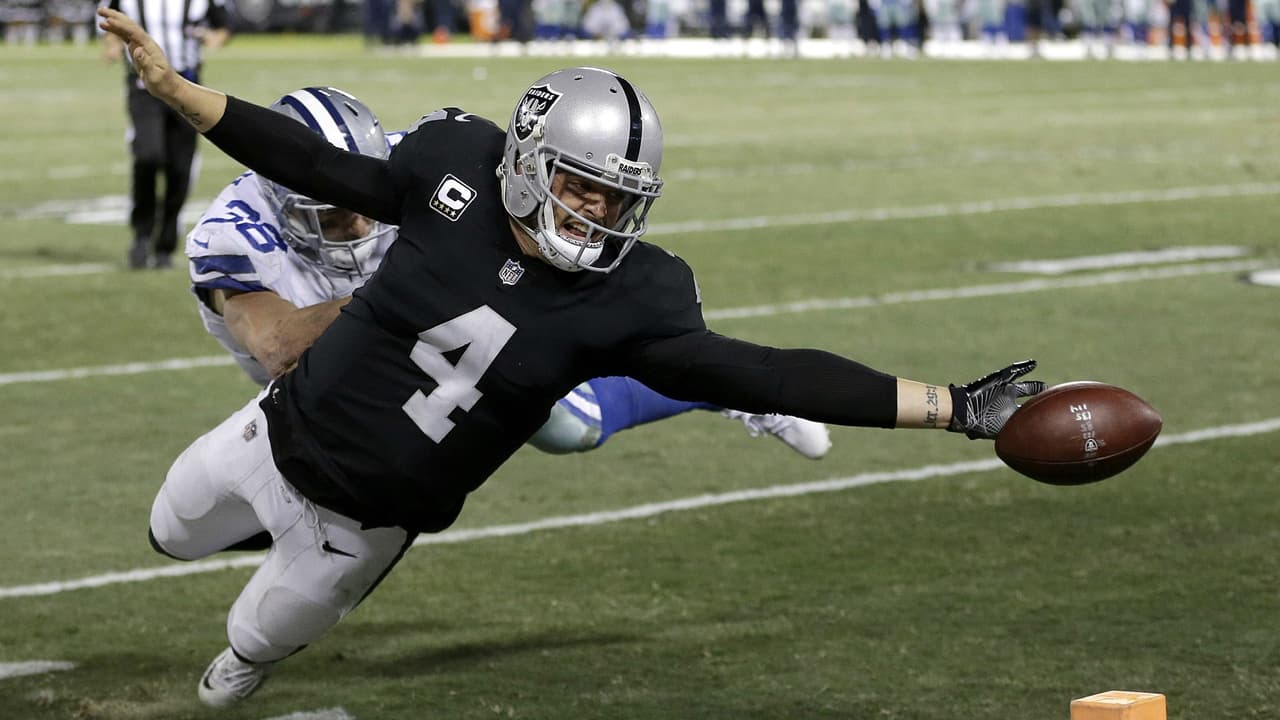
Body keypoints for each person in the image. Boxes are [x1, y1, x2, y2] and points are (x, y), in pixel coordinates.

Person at [101, 7, 1045, 707]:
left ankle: (251, 661)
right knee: (168, 532)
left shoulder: (630, 296)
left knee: (239, 658)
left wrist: (955, 405)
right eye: (582, 186)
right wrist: (183, 95)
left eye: (616, 197)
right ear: (524, 157)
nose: (597, 213)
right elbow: (321, 168)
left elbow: (769, 368)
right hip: (270, 434)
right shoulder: (452, 168)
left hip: (365, 525)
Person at [187, 85, 831, 466]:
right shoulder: (235, 232)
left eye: (363, 205)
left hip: (432, 327)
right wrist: (415, 285)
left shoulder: (411, 160)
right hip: (368, 345)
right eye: (334, 215)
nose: (359, 226)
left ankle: (724, 386)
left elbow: (517, 184)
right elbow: (278, 347)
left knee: (567, 427)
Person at [99, 0, 230, 270]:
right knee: (147, 155)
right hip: (143, 85)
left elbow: (224, 26)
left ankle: (165, 243)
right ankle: (141, 234)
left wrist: (213, 37)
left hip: (186, 85)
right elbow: (111, 20)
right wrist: (112, 44)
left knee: (180, 166)